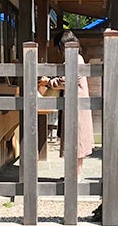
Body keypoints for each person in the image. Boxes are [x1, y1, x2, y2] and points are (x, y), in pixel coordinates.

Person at [38, 31, 94, 179]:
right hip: (74, 103)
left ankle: (76, 176)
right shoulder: (76, 58)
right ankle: (73, 175)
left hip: (77, 105)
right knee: (74, 139)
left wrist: (48, 82)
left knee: (77, 140)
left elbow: (66, 80)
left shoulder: (75, 59)